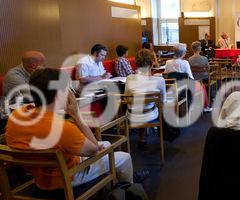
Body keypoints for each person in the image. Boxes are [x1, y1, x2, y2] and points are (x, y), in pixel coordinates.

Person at [5, 68, 134, 189]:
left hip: (38, 173)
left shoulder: (17, 115)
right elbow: (94, 150)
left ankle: (119, 180)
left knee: (105, 143)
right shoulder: (63, 128)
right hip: (66, 177)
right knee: (124, 157)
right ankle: (129, 191)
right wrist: (76, 115)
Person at [125, 49, 173, 146]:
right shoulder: (159, 80)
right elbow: (163, 101)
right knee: (157, 106)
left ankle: (142, 136)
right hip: (150, 114)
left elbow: (126, 98)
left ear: (136, 63)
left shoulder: (129, 78)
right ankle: (152, 131)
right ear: (152, 64)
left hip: (132, 114)